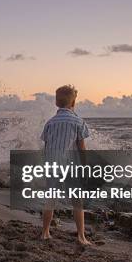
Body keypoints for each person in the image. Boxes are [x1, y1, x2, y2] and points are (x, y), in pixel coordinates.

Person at [40, 85, 92, 245]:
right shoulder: (78, 121)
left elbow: (46, 146)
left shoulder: (50, 122)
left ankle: (45, 232)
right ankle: (81, 237)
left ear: (56, 102)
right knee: (77, 201)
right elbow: (81, 148)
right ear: (74, 103)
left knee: (50, 199)